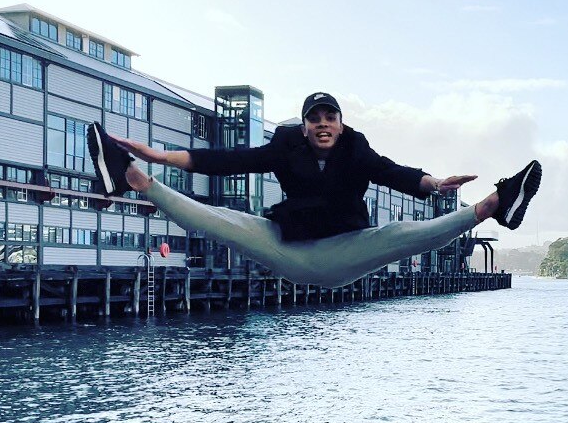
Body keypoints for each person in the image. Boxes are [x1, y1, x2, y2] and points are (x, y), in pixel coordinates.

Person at [87, 92, 541, 288]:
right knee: (226, 221)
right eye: (314, 119)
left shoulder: (356, 149)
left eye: (330, 118)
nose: (323, 125)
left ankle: (497, 203)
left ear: (340, 125)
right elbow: (234, 161)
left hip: (345, 250)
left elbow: (392, 172)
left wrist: (434, 183)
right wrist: (162, 157)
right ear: (305, 127)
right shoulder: (286, 146)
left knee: (399, 234)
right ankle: (132, 177)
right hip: (291, 248)